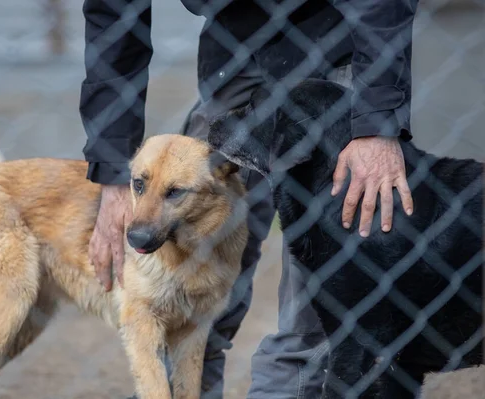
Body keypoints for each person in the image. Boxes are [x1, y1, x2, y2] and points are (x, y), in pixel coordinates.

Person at [79, 0, 417, 397]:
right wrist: (115, 176)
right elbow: (114, 19)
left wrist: (375, 124)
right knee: (182, 300)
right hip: (235, 47)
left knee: (317, 316)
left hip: (340, 45)